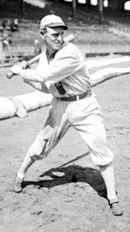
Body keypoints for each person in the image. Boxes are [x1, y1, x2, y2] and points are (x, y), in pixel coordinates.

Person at [10, 14, 123, 216]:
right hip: (60, 106)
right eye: (54, 34)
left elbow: (45, 75)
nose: (59, 38)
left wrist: (21, 71)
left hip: (85, 105)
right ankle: (19, 176)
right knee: (42, 143)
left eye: (62, 34)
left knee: (100, 148)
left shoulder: (70, 53)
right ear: (42, 34)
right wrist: (27, 78)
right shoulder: (45, 57)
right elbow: (46, 87)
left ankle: (112, 197)